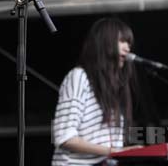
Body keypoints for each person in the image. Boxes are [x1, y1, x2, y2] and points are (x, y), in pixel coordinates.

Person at [51, 17, 138, 165]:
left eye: (128, 43)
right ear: (104, 44)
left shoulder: (113, 88)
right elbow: (64, 137)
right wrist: (115, 152)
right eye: (122, 41)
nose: (127, 48)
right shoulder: (79, 77)